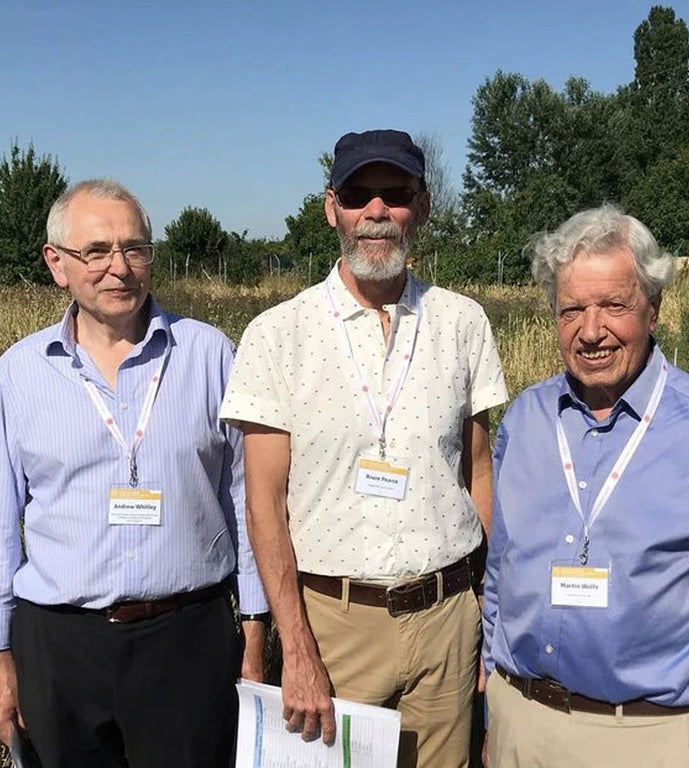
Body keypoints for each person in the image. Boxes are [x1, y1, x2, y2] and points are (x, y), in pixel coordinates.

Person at [0, 179, 268, 768]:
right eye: (95, 251)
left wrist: (253, 632)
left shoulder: (209, 355)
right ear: (57, 264)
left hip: (189, 641)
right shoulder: (20, 374)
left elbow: (246, 501)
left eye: (135, 248)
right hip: (61, 647)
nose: (118, 268)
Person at [482, 204, 689, 768]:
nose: (591, 331)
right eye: (571, 310)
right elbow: (500, 578)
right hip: (522, 726)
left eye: (614, 305)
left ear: (653, 308)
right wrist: (497, 711)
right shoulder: (524, 421)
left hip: (649, 740)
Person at [220, 129, 508, 768]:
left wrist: (489, 618)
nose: (376, 211)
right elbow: (263, 504)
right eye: (358, 195)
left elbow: (477, 475)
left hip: (448, 617)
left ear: (422, 207)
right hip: (335, 625)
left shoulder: (463, 323)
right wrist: (294, 647)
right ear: (332, 209)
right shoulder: (277, 335)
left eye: (395, 194)